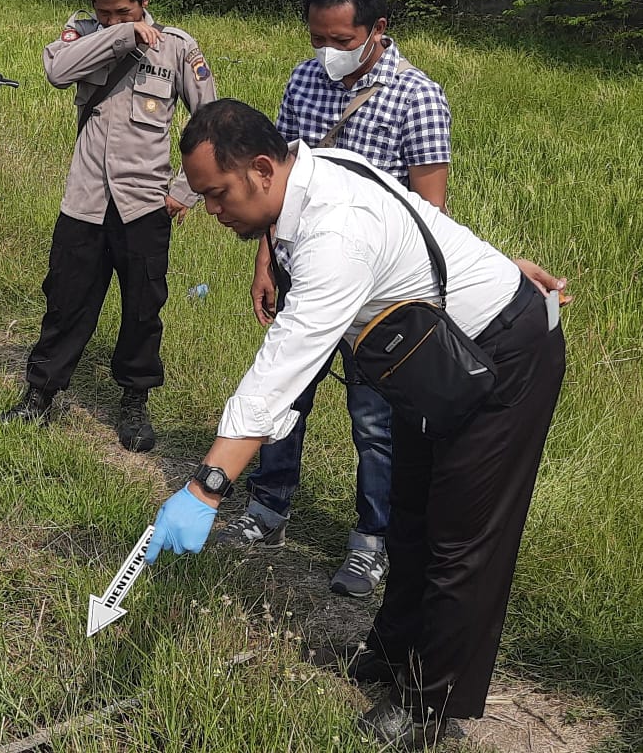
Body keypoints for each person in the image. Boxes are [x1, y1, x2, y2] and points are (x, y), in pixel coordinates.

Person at [147, 100, 567, 750]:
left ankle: (428, 705)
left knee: (461, 539)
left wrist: (205, 488)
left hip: (503, 355)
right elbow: (420, 220)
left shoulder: (332, 234)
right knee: (408, 514)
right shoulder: (313, 170)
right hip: (433, 355)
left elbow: (279, 370)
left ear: (261, 169)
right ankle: (390, 651)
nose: (210, 210)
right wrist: (496, 266)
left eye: (216, 194)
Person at [215, 0, 453, 598]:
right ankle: (267, 508)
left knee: (374, 421)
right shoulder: (304, 79)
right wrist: (266, 263)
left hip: (379, 298)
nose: (327, 52)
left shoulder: (417, 98)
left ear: (378, 30)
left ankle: (371, 542)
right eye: (317, 36)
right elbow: (276, 185)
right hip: (305, 267)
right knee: (287, 391)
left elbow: (431, 212)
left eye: (341, 39)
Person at [0, 0, 216, 451]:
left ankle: (134, 403)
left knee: (142, 309)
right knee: (65, 300)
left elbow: (209, 123)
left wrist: (185, 191)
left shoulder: (176, 49)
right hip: (85, 197)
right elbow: (57, 71)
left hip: (145, 203)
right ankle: (39, 397)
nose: (110, 19)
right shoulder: (81, 35)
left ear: (145, 0)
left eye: (123, 12)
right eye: (103, 11)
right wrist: (121, 35)